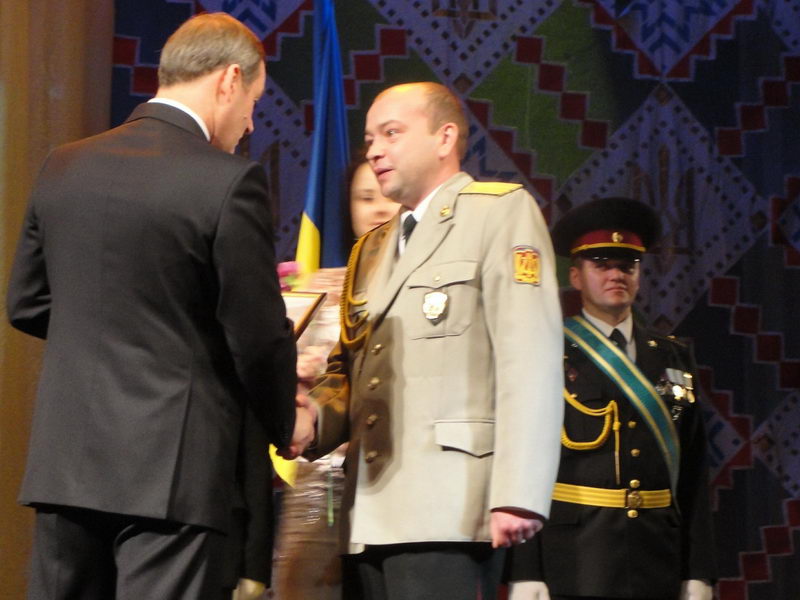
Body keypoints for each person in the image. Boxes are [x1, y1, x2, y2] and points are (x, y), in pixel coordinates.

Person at [5, 12, 312, 599]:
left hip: (65, 467)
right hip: (174, 477)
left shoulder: (63, 165)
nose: (250, 124)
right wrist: (288, 420)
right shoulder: (228, 182)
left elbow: (27, 302)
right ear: (229, 80)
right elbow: (256, 337)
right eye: (253, 102)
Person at [297, 82, 565, 600]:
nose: (375, 151)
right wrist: (309, 419)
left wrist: (519, 493)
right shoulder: (370, 248)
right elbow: (351, 371)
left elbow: (530, 359)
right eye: (370, 139)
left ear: (445, 138)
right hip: (367, 511)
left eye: (391, 134)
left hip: (451, 508)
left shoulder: (497, 213)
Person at [507, 197, 716, 600]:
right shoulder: (546, 350)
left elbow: (693, 472)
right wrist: (525, 571)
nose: (616, 274)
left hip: (658, 555)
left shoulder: (672, 356)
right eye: (601, 264)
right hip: (575, 556)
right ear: (576, 276)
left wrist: (699, 572)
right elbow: (522, 461)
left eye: (628, 265)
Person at [270, 157, 400, 600]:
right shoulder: (317, 288)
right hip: (318, 480)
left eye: (385, 195)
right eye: (364, 197)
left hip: (389, 477)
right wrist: (295, 372)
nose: (378, 207)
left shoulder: (422, 291)